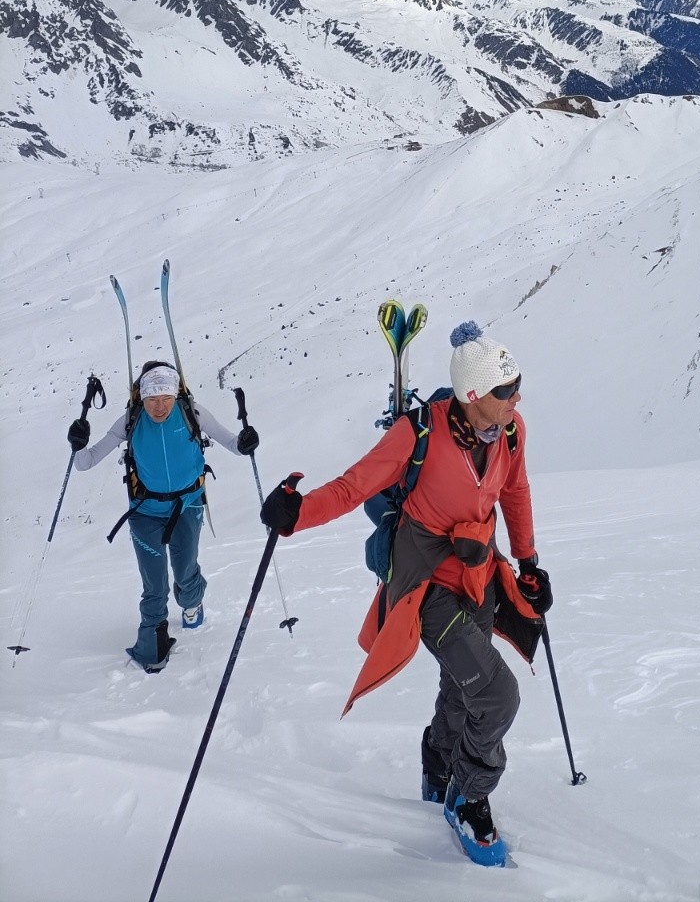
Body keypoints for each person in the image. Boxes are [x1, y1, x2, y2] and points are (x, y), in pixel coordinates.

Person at [259, 322, 552, 868]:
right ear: (472, 396)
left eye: (517, 385)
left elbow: (515, 490)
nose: (517, 398)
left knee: (463, 683)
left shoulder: (511, 432)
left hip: (480, 573)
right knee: (496, 695)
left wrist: (529, 561)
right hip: (428, 583)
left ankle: (440, 757)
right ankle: (468, 795)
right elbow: (354, 485)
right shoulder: (416, 435)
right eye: (505, 390)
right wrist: (296, 515)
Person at [69, 360, 259, 672]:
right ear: (142, 399)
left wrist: (247, 441)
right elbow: (86, 462)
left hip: (188, 506)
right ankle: (152, 649)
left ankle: (192, 601)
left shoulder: (192, 413)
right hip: (144, 513)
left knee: (185, 572)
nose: (160, 407)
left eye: (166, 398)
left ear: (176, 395)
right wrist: (78, 444)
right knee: (154, 586)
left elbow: (234, 445)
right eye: (152, 399)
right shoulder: (131, 419)